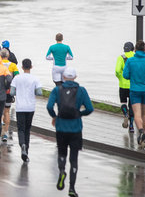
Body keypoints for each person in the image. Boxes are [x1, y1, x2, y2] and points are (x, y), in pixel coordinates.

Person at [47, 67, 94, 197]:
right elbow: (90, 108)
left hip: (61, 127)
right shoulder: (81, 90)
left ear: (63, 77)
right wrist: (80, 114)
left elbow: (49, 106)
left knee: (62, 152)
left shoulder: (57, 90)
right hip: (76, 128)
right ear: (75, 77)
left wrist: (54, 116)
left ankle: (62, 170)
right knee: (74, 158)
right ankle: (72, 188)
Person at [123, 40, 145, 149]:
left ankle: (141, 132)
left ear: (135, 50)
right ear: (144, 49)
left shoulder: (130, 61)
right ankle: (143, 135)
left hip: (135, 90)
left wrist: (131, 77)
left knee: (137, 114)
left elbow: (125, 75)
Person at [10, 58, 42, 162]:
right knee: (28, 129)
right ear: (31, 67)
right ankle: (26, 151)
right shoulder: (35, 79)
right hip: (30, 107)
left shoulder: (17, 78)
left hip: (20, 107)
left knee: (21, 129)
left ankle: (22, 144)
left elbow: (11, 92)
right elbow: (39, 93)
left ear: (22, 67)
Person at [0, 48, 19, 142]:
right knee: (6, 111)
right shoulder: (13, 65)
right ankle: (5, 133)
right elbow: (17, 77)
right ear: (8, 56)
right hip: (8, 92)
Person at [115, 41, 135, 132]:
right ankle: (131, 126)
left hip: (123, 85)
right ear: (133, 49)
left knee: (123, 103)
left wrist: (121, 78)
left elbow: (117, 70)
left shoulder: (121, 57)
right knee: (132, 106)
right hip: (133, 85)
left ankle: (125, 114)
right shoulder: (135, 57)